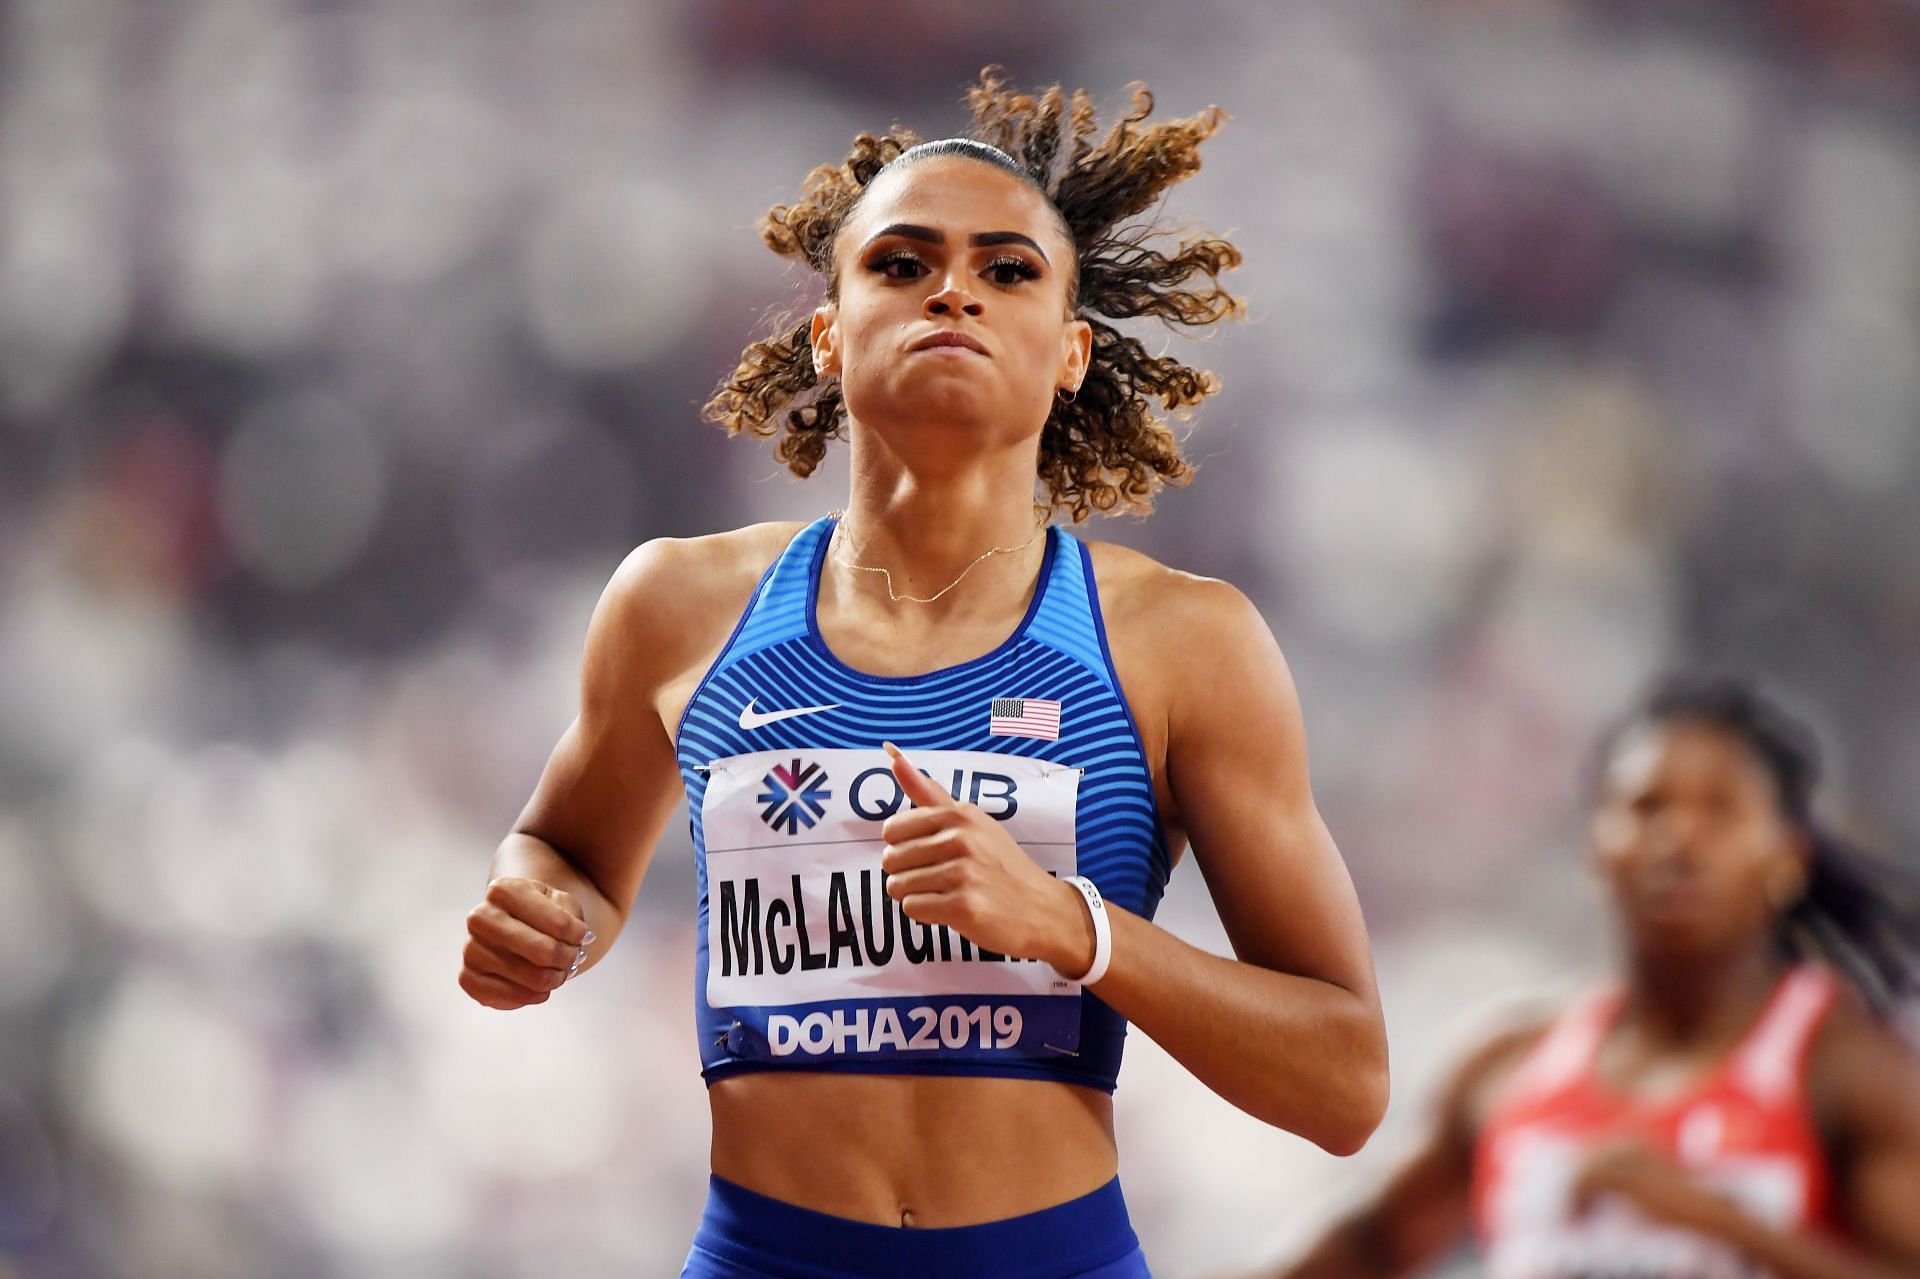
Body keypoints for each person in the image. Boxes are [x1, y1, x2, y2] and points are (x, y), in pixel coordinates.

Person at [457, 70, 1388, 1279]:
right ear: (830, 334)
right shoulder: (677, 605)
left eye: (1009, 270)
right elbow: (564, 855)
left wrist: (1073, 929)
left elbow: (1347, 1081)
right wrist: (543, 918)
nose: (953, 289)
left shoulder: (1180, 642)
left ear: (1069, 352)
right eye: (901, 263)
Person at [1244, 673, 1920, 1279]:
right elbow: (1365, 1250)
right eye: (1647, 807)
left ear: (1789, 855)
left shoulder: (1846, 1068)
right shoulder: (1509, 1067)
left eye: (1720, 810)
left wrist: (1717, 1221)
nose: (1679, 839)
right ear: (1594, 843)